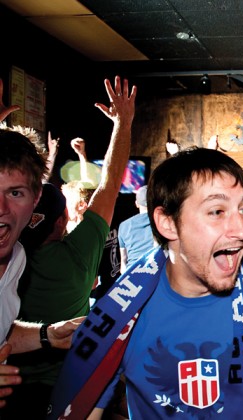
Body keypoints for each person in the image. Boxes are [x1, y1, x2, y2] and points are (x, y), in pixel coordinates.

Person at [49, 147, 243, 419]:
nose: (242, 231)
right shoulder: (122, 313)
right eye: (217, 211)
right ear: (168, 223)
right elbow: (83, 408)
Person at [3, 76, 136, 417]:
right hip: (61, 384)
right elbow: (109, 185)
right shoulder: (76, 255)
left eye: (15, 194)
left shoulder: (17, 255)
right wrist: (123, 123)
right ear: (62, 221)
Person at [0, 80, 85, 408]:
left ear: (35, 200)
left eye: (15, 193)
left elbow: (4, 332)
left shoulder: (18, 257)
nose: (2, 209)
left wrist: (48, 334)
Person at [118, 185, 155, 274]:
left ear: (136, 204)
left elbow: (123, 260)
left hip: (132, 274)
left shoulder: (124, 225)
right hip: (155, 270)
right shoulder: (161, 221)